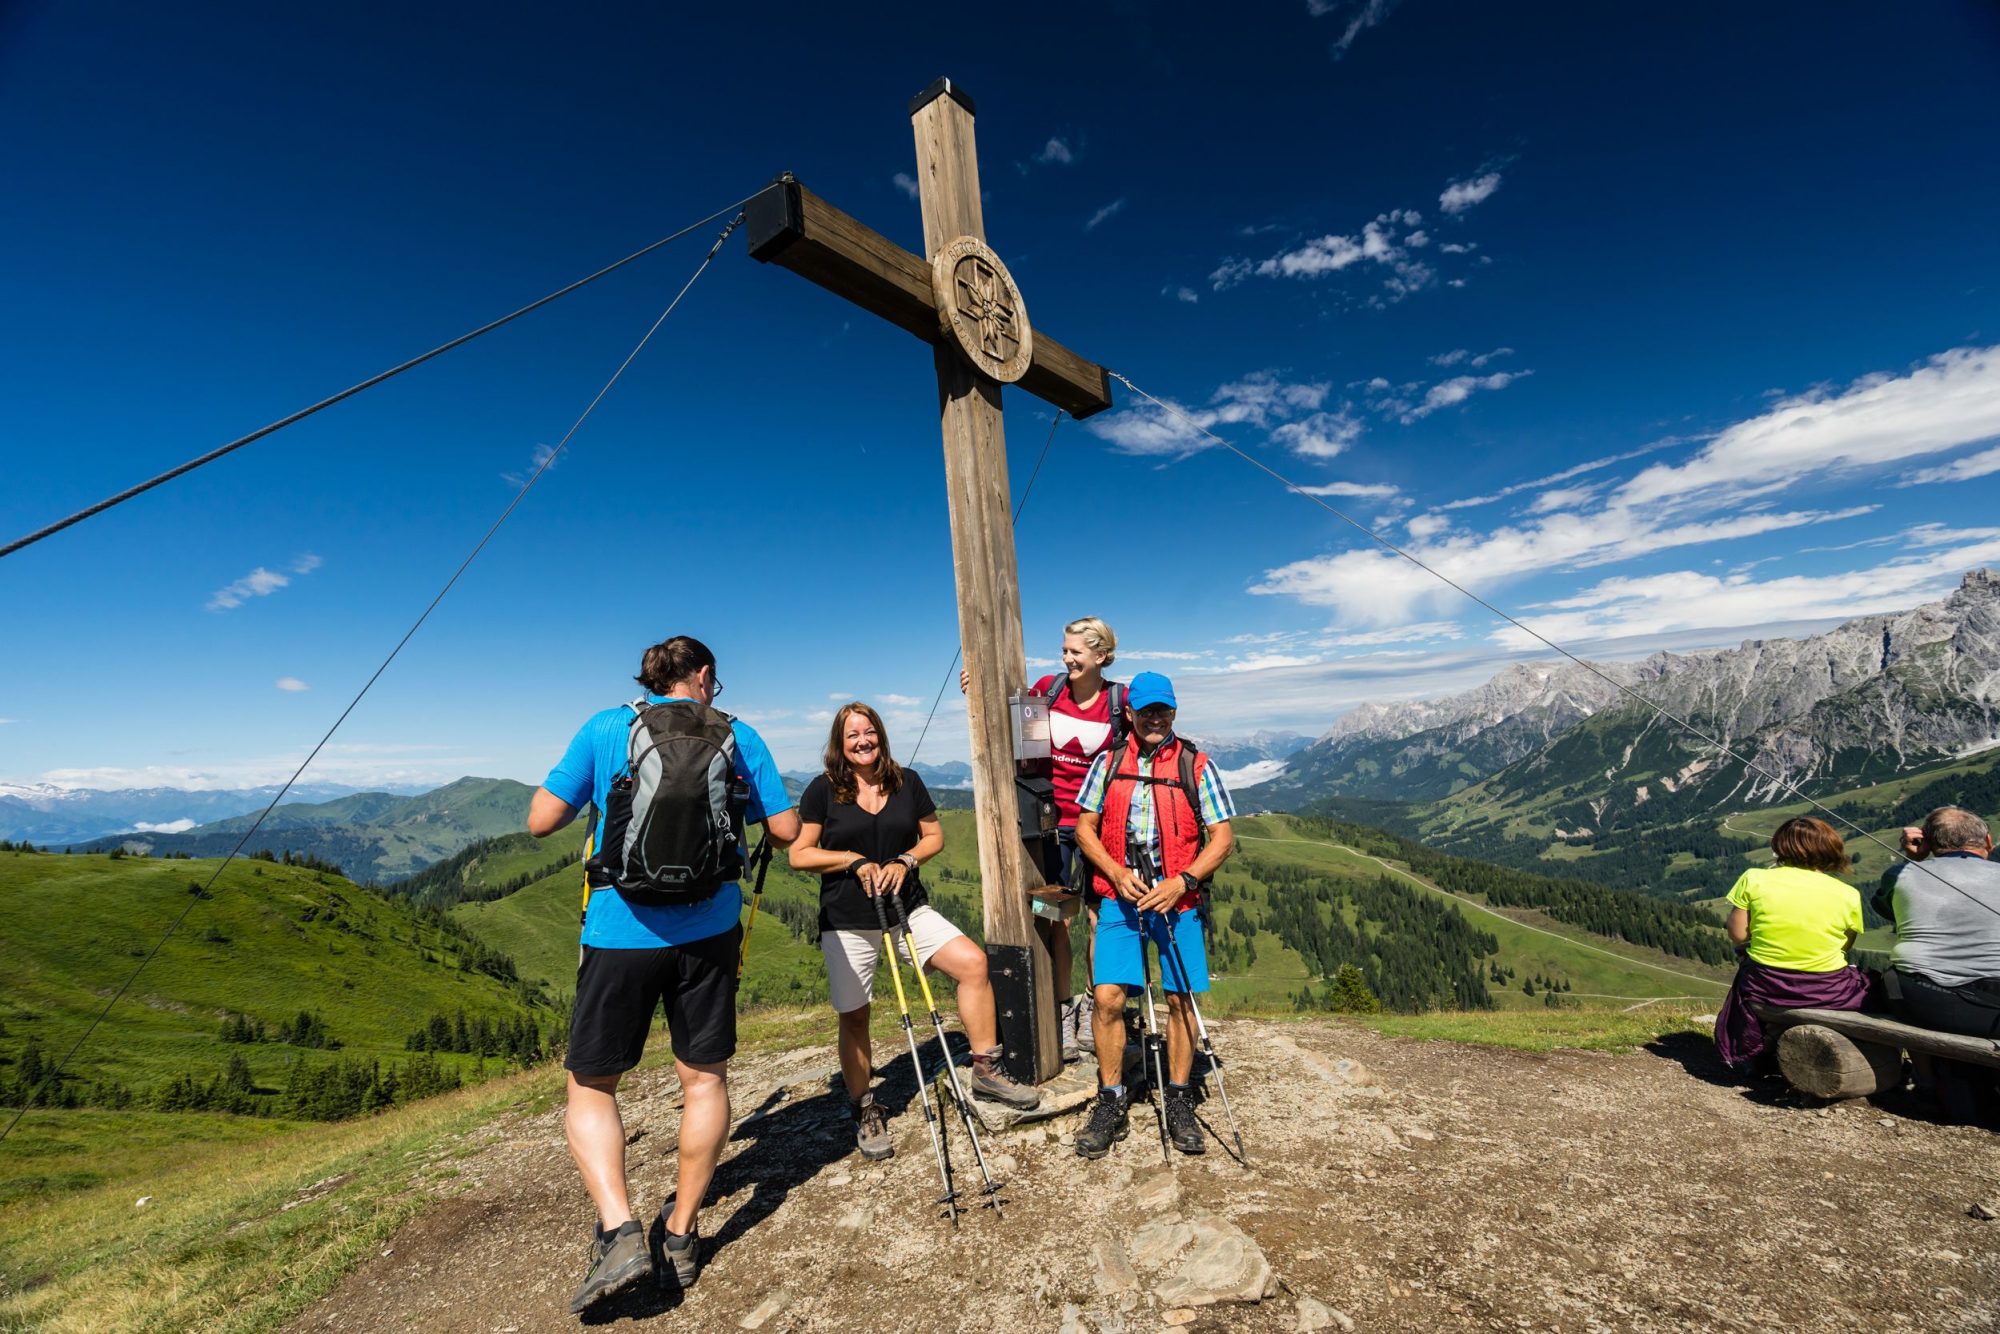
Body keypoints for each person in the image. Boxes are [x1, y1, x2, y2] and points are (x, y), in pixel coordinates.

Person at [526, 636, 797, 1314]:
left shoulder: (605, 727)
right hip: (707, 930)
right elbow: (787, 830)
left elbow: (540, 822)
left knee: (592, 1085)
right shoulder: (739, 736)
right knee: (703, 1079)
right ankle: (680, 1236)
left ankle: (620, 1230)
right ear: (702, 676)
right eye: (717, 682)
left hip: (619, 930)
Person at [788, 701, 1038, 1162]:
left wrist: (907, 860)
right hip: (847, 916)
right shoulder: (824, 790)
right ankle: (864, 1107)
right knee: (855, 1014)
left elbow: (933, 837)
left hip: (907, 905)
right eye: (852, 736)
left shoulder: (907, 781)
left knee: (972, 964)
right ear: (839, 745)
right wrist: (851, 860)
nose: (863, 741)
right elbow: (799, 854)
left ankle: (986, 1068)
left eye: (870, 733)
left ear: (880, 736)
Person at [1070, 672, 1236, 1158]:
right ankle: (1111, 1097)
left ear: (1175, 712)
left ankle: (1179, 1098)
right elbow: (1084, 829)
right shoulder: (1107, 763)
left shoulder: (1196, 765)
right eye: (1147, 712)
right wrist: (1116, 874)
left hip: (1177, 899)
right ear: (1130, 713)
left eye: (1165, 710)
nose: (1157, 719)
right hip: (1122, 896)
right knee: (1107, 999)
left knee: (1181, 1000)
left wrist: (1183, 881)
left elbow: (1222, 838)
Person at [963, 615, 1125, 1061]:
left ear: (1101, 656)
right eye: (1065, 650)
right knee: (1057, 918)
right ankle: (1062, 1010)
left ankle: (1098, 1008)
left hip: (1099, 824)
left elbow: (1148, 733)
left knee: (1097, 919)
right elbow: (1007, 710)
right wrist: (976, 683)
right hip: (1052, 821)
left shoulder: (1119, 701)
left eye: (1075, 651)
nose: (1067, 658)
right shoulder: (1049, 690)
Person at [1873, 806, 2000, 1120]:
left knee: (1891, 976)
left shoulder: (1900, 874)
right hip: (1994, 1010)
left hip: (1925, 1002)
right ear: (1988, 840)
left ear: (1927, 842)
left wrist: (1915, 859)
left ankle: (1926, 1082)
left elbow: (1886, 909)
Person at [1713, 817, 1867, 1072]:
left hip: (1764, 986)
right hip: (1826, 990)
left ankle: (1746, 1051)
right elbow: (1845, 947)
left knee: (1747, 968)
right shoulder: (1848, 894)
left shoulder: (1754, 879)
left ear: (1780, 846)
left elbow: (1738, 935)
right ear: (1830, 848)